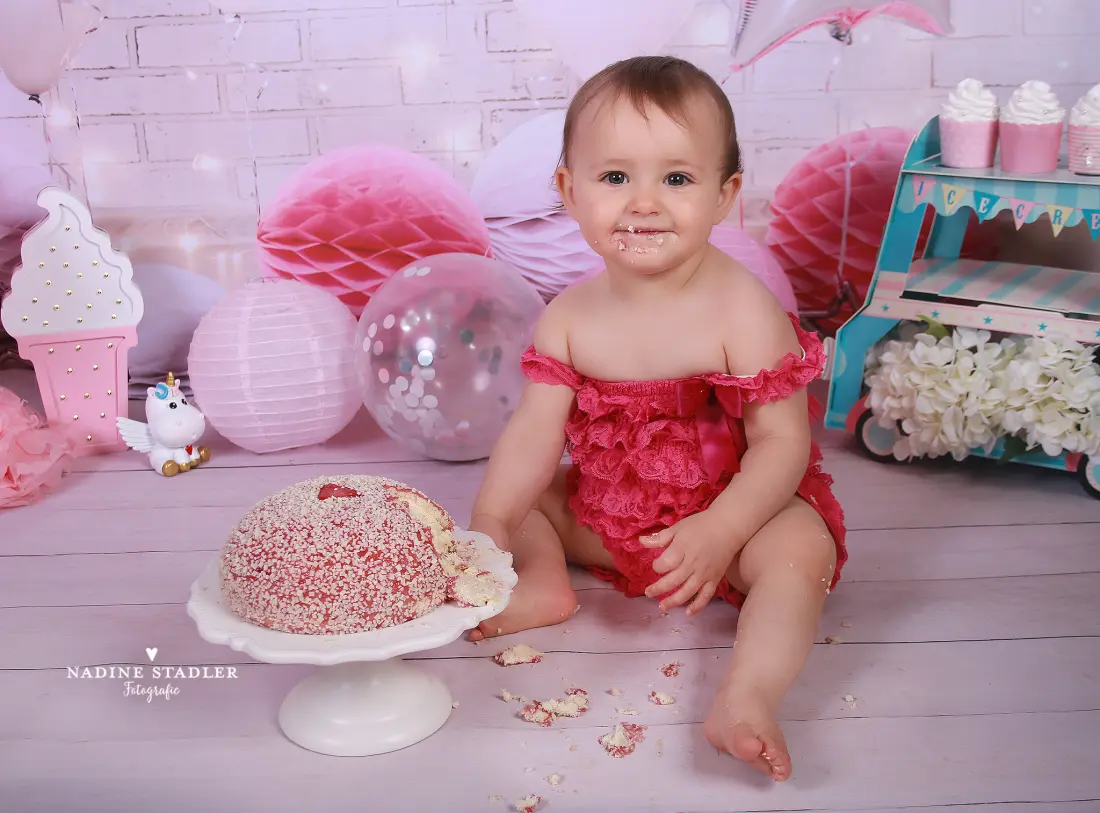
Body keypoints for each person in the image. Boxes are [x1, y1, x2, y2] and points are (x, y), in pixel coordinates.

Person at [467, 55, 847, 782]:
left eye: (676, 179)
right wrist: (491, 521)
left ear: (724, 194)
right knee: (526, 496)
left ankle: (746, 695)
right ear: (569, 192)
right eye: (615, 177)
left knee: (800, 548)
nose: (644, 203)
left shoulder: (742, 309)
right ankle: (543, 582)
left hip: (723, 530)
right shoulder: (568, 317)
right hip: (611, 525)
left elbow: (781, 442)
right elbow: (533, 436)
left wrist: (723, 529)